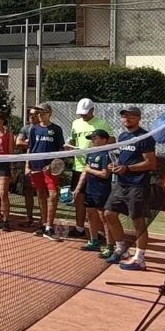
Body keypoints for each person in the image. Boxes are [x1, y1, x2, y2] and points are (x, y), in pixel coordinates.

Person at [102, 106, 158, 269]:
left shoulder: (145, 137)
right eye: (125, 116)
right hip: (121, 184)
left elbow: (151, 163)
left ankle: (139, 259)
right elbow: (125, 159)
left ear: (139, 118)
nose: (127, 119)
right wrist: (116, 165)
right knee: (109, 214)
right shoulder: (123, 136)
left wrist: (127, 168)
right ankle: (121, 249)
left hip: (138, 185)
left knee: (137, 221)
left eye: (132, 116)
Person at [67, 98, 113, 239]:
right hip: (79, 166)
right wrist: (69, 144)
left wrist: (96, 149)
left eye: (85, 112)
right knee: (79, 199)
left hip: (95, 168)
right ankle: (79, 228)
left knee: (98, 204)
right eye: (81, 113)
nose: (83, 115)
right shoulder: (75, 123)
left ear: (92, 110)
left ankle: (101, 233)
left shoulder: (102, 123)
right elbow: (73, 140)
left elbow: (112, 141)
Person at [26, 103, 66, 240]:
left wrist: (53, 165)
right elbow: (30, 148)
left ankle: (49, 226)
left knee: (53, 195)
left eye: (42, 112)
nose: (40, 115)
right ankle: (44, 225)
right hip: (36, 167)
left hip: (50, 170)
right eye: (38, 112)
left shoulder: (56, 129)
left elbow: (60, 150)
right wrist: (27, 165)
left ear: (49, 113)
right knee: (41, 195)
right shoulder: (34, 129)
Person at [74, 128, 113, 253]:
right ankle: (93, 240)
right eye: (92, 138)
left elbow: (105, 174)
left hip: (102, 191)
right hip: (90, 189)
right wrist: (78, 188)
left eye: (95, 138)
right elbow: (85, 172)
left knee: (104, 217)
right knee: (90, 214)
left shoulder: (107, 154)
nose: (93, 141)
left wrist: (89, 170)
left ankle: (109, 245)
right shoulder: (91, 153)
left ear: (104, 140)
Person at [16, 108, 40, 226]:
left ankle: (43, 220)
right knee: (28, 190)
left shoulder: (43, 128)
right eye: (30, 114)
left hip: (41, 164)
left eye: (34, 114)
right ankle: (29, 218)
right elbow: (18, 142)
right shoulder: (25, 129)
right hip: (27, 164)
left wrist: (30, 144)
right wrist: (35, 144)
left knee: (41, 191)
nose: (31, 116)